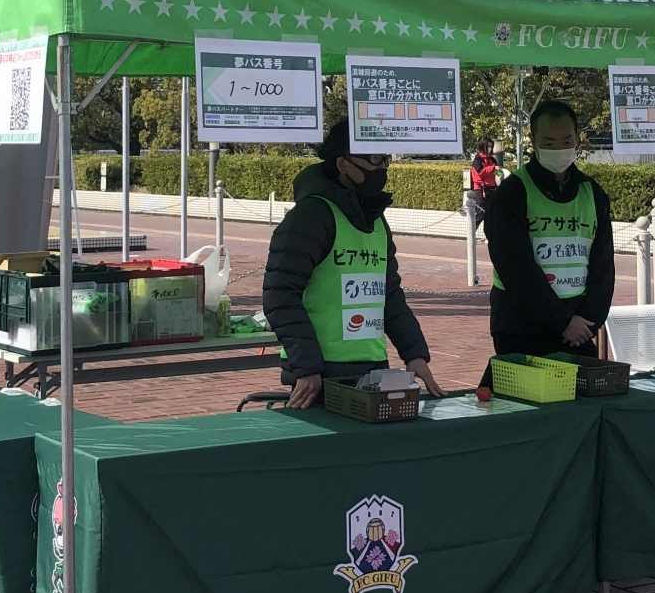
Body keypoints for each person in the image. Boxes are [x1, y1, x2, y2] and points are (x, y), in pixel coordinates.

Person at [262, 119, 444, 409]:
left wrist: (414, 354)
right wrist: (307, 367)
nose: (382, 167)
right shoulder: (310, 217)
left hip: (372, 369)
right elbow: (280, 295)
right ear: (343, 163)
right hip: (319, 375)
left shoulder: (376, 221)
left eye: (386, 158)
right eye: (374, 159)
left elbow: (389, 294)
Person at [483, 99, 617, 364]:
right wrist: (562, 321)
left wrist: (588, 320)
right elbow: (515, 268)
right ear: (534, 142)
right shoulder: (512, 193)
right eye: (550, 142)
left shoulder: (592, 192)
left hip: (578, 329)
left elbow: (603, 266)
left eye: (566, 141)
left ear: (577, 138)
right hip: (522, 328)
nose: (559, 149)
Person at [466, 140, 501, 239]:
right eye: (488, 146)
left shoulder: (492, 160)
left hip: (491, 188)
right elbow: (480, 171)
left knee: (490, 214)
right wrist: (493, 168)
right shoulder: (478, 159)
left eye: (491, 146)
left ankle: (489, 235)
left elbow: (497, 174)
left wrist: (500, 174)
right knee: (480, 212)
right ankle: (471, 233)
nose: (490, 148)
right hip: (480, 188)